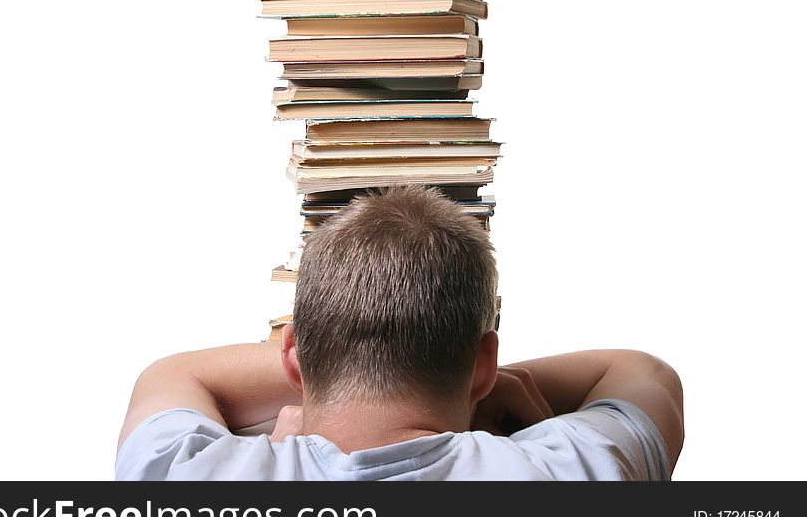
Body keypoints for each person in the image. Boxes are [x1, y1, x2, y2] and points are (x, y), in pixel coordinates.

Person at [116, 186, 684, 480]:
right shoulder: (586, 471)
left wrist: (339, 351)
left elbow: (172, 373)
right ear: (485, 364)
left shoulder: (181, 484)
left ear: (292, 355)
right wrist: (452, 359)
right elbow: (641, 371)